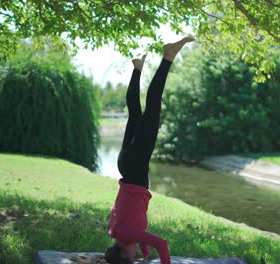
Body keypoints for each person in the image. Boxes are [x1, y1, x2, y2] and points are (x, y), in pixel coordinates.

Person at [105, 37, 195, 264]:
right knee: (135, 114)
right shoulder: (115, 233)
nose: (135, 257)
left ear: (126, 254)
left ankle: (168, 56)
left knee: (153, 108)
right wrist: (145, 255)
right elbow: (136, 234)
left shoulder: (130, 236)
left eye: (132, 258)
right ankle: (137, 68)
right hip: (124, 166)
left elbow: (161, 244)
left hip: (135, 170)